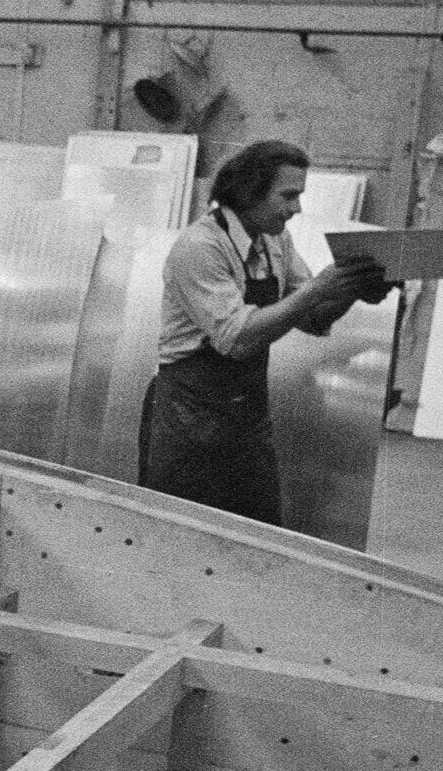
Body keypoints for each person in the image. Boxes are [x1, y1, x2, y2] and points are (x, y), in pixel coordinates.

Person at [138, 138, 391, 527]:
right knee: (184, 534)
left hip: (246, 414)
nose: (297, 208)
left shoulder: (274, 240)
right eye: (288, 196)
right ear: (249, 191)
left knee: (258, 531)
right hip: (188, 416)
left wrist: (351, 289)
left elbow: (313, 317)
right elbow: (237, 339)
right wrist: (319, 289)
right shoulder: (200, 247)